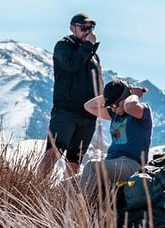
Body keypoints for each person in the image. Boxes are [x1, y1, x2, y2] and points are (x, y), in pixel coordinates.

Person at [38, 13, 103, 178]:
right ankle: (35, 190)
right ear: (72, 28)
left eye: (91, 28)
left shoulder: (94, 56)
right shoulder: (63, 46)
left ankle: (65, 199)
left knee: (75, 161)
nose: (88, 32)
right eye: (84, 28)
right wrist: (88, 46)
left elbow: (98, 83)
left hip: (88, 117)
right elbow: (71, 65)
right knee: (53, 152)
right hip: (66, 111)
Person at [80, 79, 151, 199]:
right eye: (110, 106)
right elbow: (88, 106)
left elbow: (130, 106)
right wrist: (110, 96)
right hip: (112, 163)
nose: (113, 109)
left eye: (114, 105)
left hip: (132, 165)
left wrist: (134, 94)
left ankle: (80, 214)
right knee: (67, 183)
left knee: (92, 166)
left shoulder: (142, 111)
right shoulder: (115, 114)